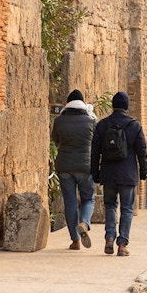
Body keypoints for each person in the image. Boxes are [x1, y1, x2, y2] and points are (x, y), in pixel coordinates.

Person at [91, 91, 147, 257]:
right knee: (127, 209)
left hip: (108, 173)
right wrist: (143, 171)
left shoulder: (102, 125)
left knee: (110, 206)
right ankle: (122, 244)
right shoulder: (135, 126)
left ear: (113, 105)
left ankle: (109, 237)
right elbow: (142, 151)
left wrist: (95, 172)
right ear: (127, 106)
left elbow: (95, 152)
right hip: (128, 173)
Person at [51, 89, 96, 250]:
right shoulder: (90, 121)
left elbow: (55, 140)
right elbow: (96, 144)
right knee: (88, 199)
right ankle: (84, 222)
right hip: (85, 166)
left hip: (64, 166)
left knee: (69, 202)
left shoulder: (59, 121)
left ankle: (75, 241)